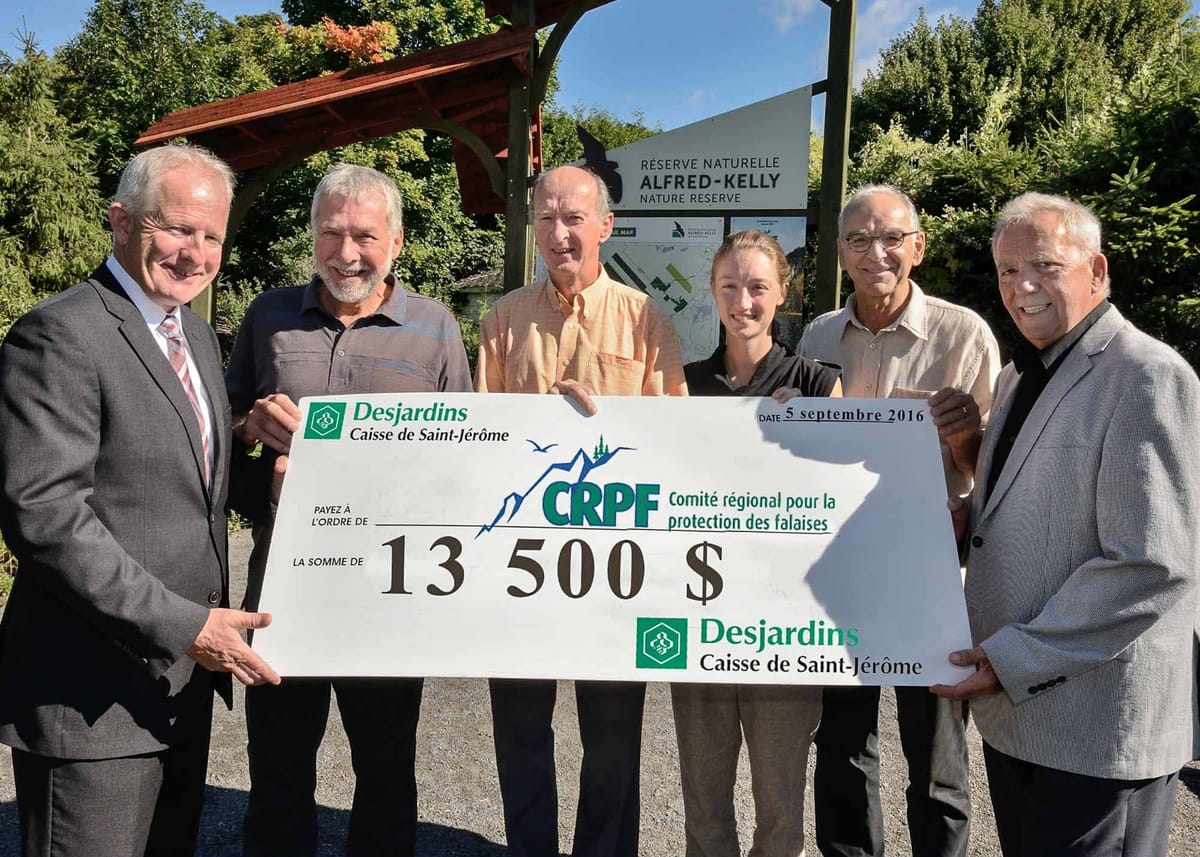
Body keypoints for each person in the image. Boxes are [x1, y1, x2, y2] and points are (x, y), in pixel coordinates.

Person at [0, 143, 280, 857]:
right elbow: (45, 516)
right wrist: (187, 624)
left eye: (211, 235)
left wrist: (284, 473)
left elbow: (196, 492)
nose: (195, 253)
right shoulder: (59, 334)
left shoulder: (191, 334)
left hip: (176, 694)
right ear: (121, 221)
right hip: (91, 702)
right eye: (176, 228)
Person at [932, 192, 1200, 856]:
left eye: (1045, 264)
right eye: (1006, 269)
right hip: (1024, 722)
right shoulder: (1021, 375)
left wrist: (1006, 657)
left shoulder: (1147, 375)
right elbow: (1023, 512)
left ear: (1097, 270)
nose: (1021, 286)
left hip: (1098, 731)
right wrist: (959, 521)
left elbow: (1151, 562)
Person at [225, 163, 472, 857]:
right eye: (330, 233)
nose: (346, 252)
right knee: (277, 776)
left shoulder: (435, 327)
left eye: (364, 235)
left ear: (396, 241)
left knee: (387, 778)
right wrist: (251, 430)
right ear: (312, 236)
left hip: (387, 593)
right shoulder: (267, 316)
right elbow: (219, 433)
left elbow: (463, 460)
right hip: (284, 589)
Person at [475, 164, 686, 857]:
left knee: (614, 741)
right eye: (546, 219)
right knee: (521, 732)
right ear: (532, 228)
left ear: (605, 227)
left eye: (574, 218)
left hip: (613, 569)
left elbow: (673, 440)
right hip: (523, 565)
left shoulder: (646, 317)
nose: (560, 233)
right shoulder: (504, 318)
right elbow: (479, 446)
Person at [798, 184, 1000, 857]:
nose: (875, 251)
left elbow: (992, 477)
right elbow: (802, 453)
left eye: (890, 237)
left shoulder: (965, 332)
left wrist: (964, 438)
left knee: (938, 762)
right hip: (842, 577)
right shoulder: (819, 334)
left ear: (918, 246)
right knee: (843, 747)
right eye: (858, 238)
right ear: (841, 253)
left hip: (933, 579)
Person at [672, 229, 841, 857]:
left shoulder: (819, 383)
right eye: (729, 286)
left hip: (784, 628)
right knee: (703, 801)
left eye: (758, 286)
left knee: (779, 809)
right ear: (713, 294)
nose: (743, 300)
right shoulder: (683, 385)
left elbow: (840, 498)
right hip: (700, 618)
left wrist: (812, 435)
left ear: (782, 293)